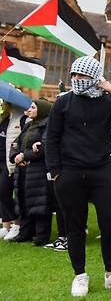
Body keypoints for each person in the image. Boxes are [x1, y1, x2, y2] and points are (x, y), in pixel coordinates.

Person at [45, 56, 111, 297]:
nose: (77, 80)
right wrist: (56, 172)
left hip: (102, 171)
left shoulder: (107, 102)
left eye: (83, 76)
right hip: (70, 172)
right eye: (74, 75)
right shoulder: (63, 102)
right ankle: (80, 275)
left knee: (110, 222)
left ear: (95, 77)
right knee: (75, 226)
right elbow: (51, 139)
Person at [8, 100, 53, 245]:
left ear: (42, 110)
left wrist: (25, 156)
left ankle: (41, 235)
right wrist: (15, 156)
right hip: (23, 170)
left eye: (33, 107)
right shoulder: (28, 125)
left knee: (39, 202)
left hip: (38, 170)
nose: (30, 109)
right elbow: (15, 143)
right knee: (23, 199)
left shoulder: (46, 125)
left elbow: (44, 147)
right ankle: (25, 232)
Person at [0, 102, 21, 241]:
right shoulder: (3, 118)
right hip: (0, 160)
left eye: (5, 103)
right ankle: (6, 225)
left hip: (8, 161)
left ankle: (17, 223)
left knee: (3, 190)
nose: (2, 104)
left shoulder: (19, 119)